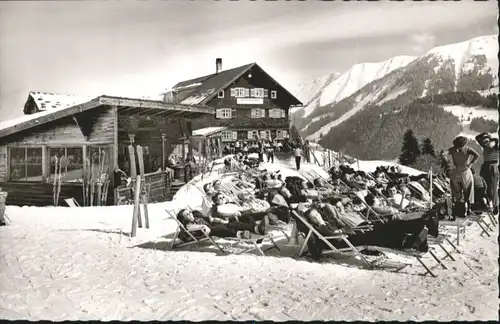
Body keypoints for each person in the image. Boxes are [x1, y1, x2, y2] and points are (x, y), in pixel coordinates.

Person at [446, 136, 480, 217]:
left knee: (456, 192)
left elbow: (443, 154)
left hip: (456, 172)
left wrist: (449, 164)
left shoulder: (452, 149)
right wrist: (470, 164)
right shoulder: (467, 149)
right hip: (466, 172)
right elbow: (477, 155)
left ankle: (458, 211)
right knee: (468, 191)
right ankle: (468, 209)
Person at [475, 132, 499, 214]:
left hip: (493, 166)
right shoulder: (485, 145)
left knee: (492, 187)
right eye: (485, 140)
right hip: (485, 166)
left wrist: (493, 140)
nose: (485, 142)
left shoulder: (496, 147)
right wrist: (486, 134)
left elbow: (497, 142)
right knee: (484, 186)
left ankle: (495, 206)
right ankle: (485, 204)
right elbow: (477, 138)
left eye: (487, 140)